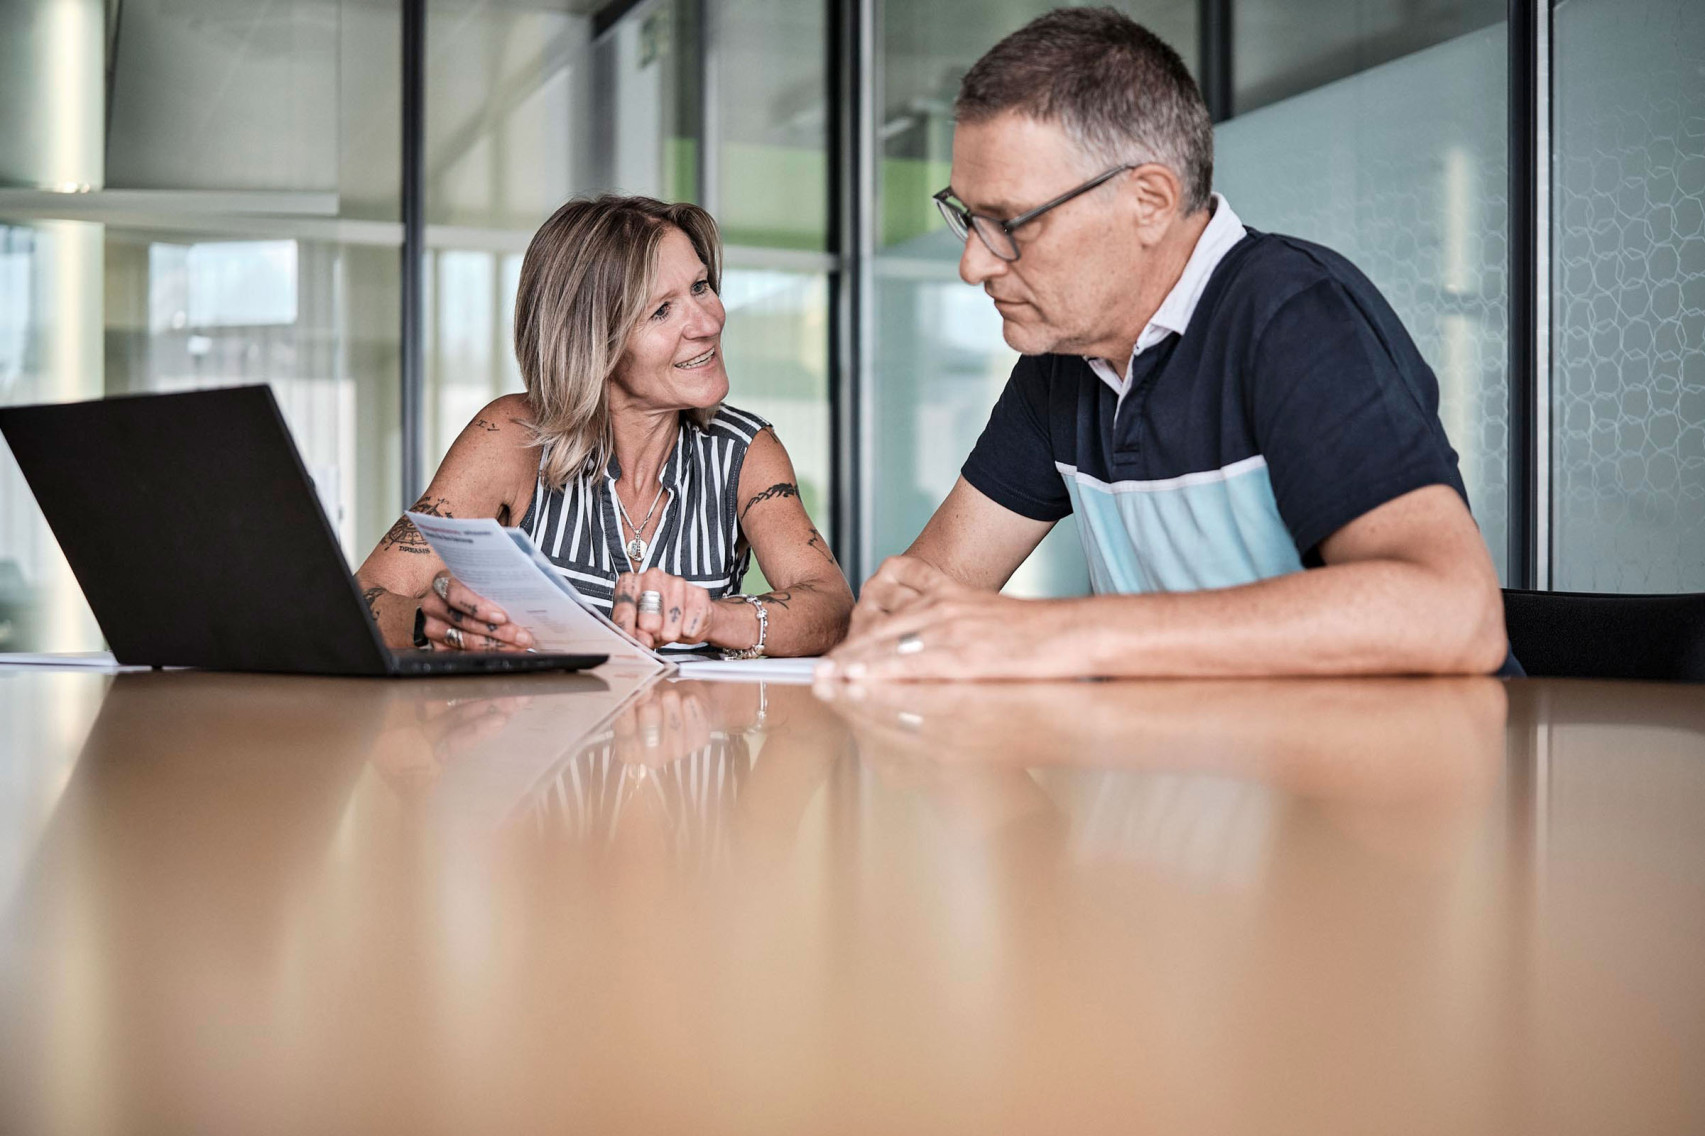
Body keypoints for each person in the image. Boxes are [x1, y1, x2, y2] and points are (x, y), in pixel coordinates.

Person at [820, 7, 1511, 682]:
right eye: (969, 218)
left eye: (1010, 223)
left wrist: (1057, 633)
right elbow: (930, 590)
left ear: (1148, 201)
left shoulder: (1290, 315)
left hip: (1416, 757)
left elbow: (1453, 612)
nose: (973, 264)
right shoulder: (1062, 356)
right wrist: (896, 622)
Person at [358, 195, 852, 657]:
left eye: (700, 287)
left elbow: (832, 607)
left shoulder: (744, 450)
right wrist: (428, 622)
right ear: (593, 343)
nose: (708, 322)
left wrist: (713, 618)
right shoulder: (512, 436)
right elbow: (364, 596)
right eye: (662, 310)